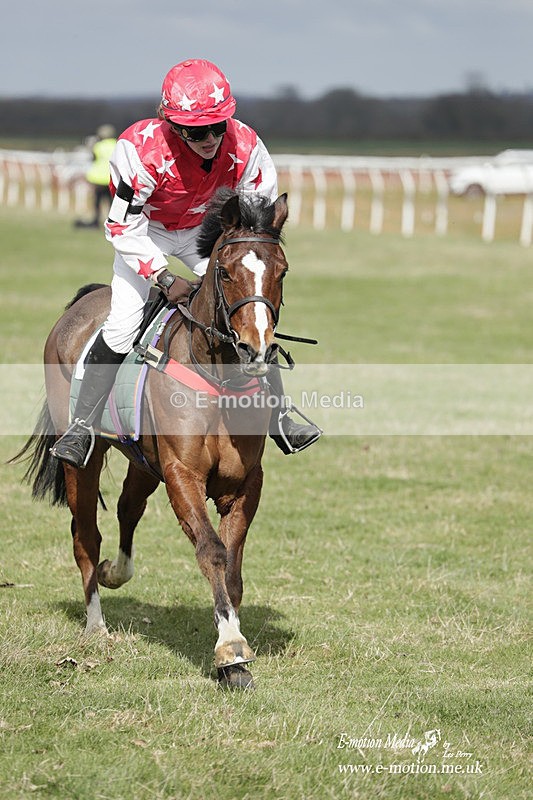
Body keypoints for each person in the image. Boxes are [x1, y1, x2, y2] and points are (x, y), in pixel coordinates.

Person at [51, 58, 321, 469]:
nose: (210, 138)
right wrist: (161, 276)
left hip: (205, 235)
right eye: (197, 131)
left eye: (218, 126)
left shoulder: (247, 145)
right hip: (146, 233)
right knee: (123, 325)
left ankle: (280, 415)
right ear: (171, 123)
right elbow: (120, 226)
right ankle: (82, 426)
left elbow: (258, 220)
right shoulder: (138, 149)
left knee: (252, 315)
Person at [74, 124, 117, 228]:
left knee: (97, 201)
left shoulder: (98, 146)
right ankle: (112, 222)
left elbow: (94, 159)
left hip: (98, 178)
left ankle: (96, 221)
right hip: (112, 178)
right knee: (111, 202)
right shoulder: (117, 144)